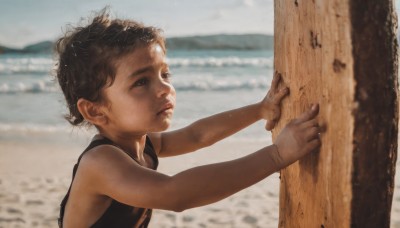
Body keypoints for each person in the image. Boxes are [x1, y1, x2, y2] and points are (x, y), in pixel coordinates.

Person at [56, 9, 321, 228]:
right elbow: (176, 194)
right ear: (95, 110)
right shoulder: (100, 162)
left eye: (165, 75)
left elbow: (197, 135)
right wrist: (277, 155)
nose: (164, 88)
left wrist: (260, 109)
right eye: (141, 82)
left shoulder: (142, 143)